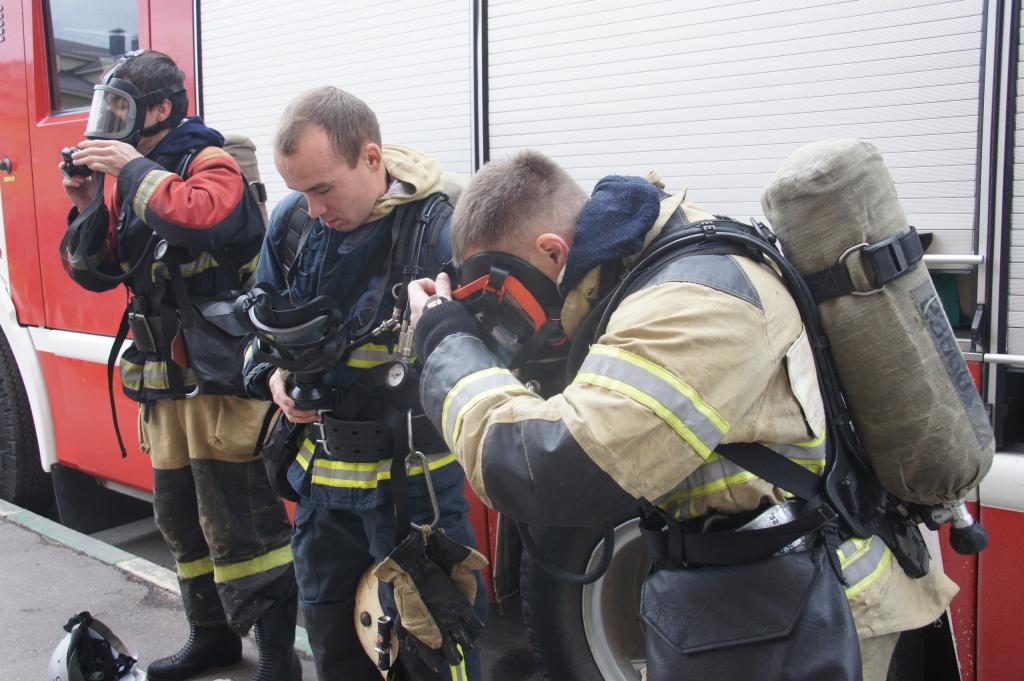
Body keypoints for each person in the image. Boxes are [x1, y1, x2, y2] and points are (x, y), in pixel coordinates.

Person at [407, 150, 959, 681]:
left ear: (554, 252)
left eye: (505, 292)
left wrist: (445, 343)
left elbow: (544, 469)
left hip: (814, 612)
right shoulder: (639, 269)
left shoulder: (691, 298)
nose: (510, 314)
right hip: (750, 600)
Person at [60, 50, 299, 681]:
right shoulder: (131, 179)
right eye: (106, 107)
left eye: (122, 107)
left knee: (241, 522)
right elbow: (96, 272)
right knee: (180, 516)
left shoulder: (209, 162)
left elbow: (203, 220)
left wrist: (130, 169)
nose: (109, 121)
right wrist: (87, 203)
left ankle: (279, 660)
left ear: (161, 109)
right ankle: (211, 638)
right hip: (165, 379)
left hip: (221, 379)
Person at [242, 86, 487, 681]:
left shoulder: (438, 232)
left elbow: (486, 360)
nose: (313, 208)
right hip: (320, 496)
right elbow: (258, 327)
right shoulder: (293, 225)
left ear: (372, 159)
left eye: (323, 188)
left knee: (437, 653)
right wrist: (272, 376)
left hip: (415, 494)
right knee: (336, 653)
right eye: (300, 191)